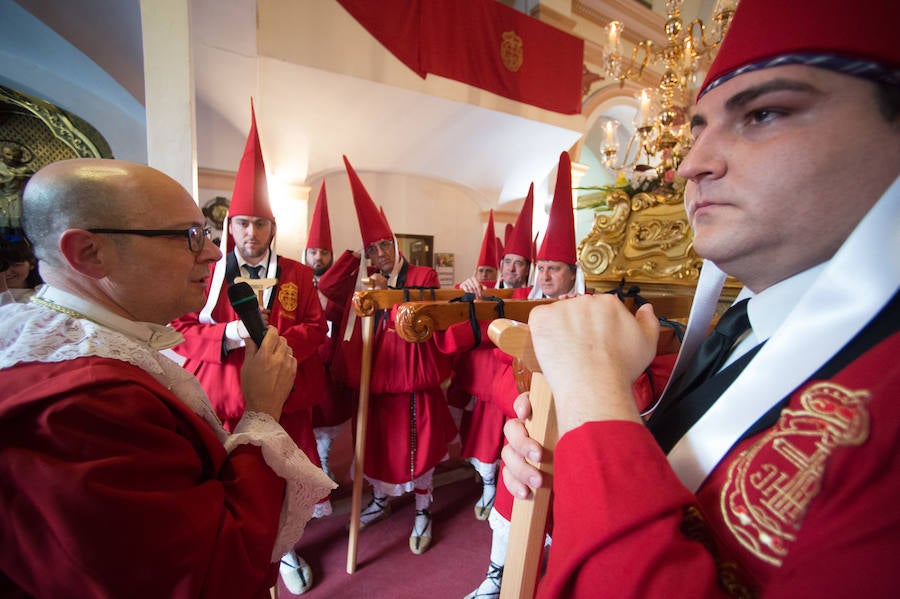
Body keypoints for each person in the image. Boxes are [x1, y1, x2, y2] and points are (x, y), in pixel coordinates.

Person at [502, 1, 900, 596]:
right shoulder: (745, 320)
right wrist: (584, 457)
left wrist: (592, 392)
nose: (690, 165)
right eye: (697, 131)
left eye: (764, 113)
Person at [0, 158, 334, 598]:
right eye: (190, 236)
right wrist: (259, 411)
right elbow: (211, 573)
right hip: (232, 393)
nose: (213, 253)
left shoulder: (101, 352)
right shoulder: (84, 408)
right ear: (88, 252)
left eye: (208, 234)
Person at [171, 107, 333, 595]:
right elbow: (178, 328)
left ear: (271, 226)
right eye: (242, 223)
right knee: (234, 477)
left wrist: (277, 342)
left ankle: (283, 550)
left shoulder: (298, 274)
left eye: (260, 224)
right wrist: (227, 336)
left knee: (284, 474)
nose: (250, 233)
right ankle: (245, 552)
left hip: (288, 395)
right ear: (230, 225)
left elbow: (317, 327)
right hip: (227, 399)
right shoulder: (208, 273)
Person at [464, 150, 591, 599]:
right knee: (511, 497)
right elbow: (496, 361)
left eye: (553, 268)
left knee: (563, 511)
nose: (544, 274)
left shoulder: (587, 310)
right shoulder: (518, 303)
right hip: (526, 417)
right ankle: (497, 575)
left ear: (572, 273)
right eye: (541, 267)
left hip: (573, 428)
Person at [319, 155, 457, 555]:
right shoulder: (361, 277)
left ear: (396, 242)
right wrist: (353, 264)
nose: (378, 252)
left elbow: (420, 318)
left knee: (421, 447)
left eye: (383, 244)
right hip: (375, 383)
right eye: (370, 248)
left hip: (415, 382)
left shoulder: (423, 276)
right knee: (376, 446)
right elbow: (328, 290)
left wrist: (385, 296)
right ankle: (380, 498)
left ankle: (422, 508)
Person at [305, 181, 354, 483]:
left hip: (332, 365)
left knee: (330, 419)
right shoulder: (295, 281)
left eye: (324, 252)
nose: (318, 258)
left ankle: (324, 459)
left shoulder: (340, 286)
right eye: (313, 252)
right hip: (306, 364)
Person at [0, 232, 42, 304]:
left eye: (16, 265)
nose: (8, 272)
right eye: (2, 266)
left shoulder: (41, 294)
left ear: (31, 263)